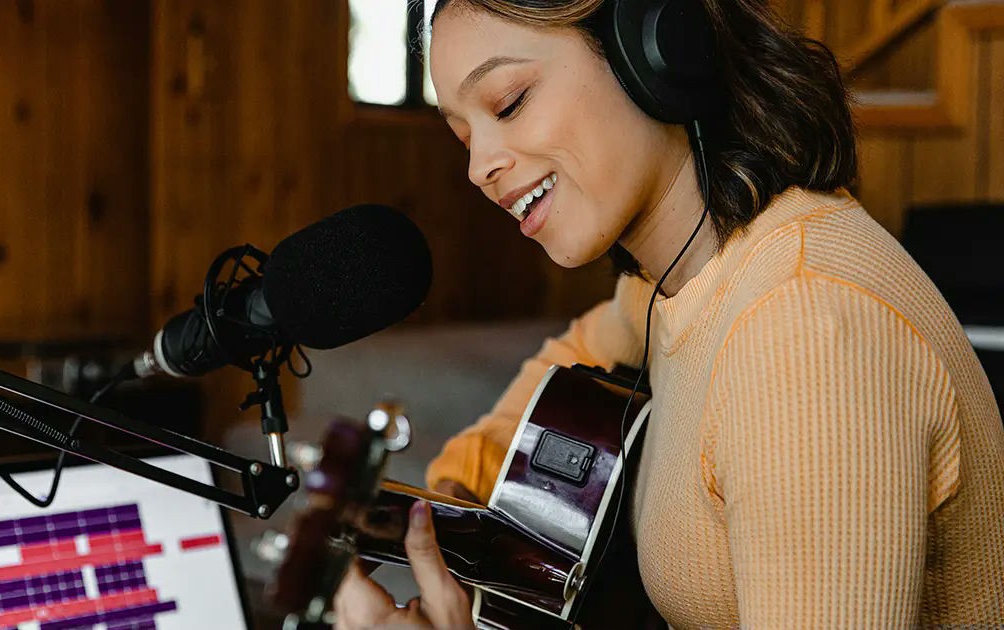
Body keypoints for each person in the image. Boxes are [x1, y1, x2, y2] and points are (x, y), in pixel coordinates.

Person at [333, 0, 1004, 628]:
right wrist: (450, 497)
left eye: (507, 104)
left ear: (653, 48)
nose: (480, 167)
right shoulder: (679, 285)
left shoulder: (802, 324)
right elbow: (573, 356)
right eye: (462, 137)